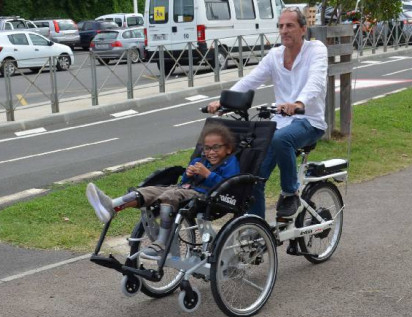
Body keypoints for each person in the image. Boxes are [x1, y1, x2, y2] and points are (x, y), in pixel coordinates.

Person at [206, 7, 328, 220]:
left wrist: (299, 102)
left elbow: (316, 81)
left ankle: (290, 193)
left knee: (282, 140)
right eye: (281, 26)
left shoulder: (316, 50)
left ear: (302, 29)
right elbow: (251, 80)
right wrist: (223, 101)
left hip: (309, 121)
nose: (284, 30)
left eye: (289, 25)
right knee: (252, 178)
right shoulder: (275, 55)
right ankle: (258, 233)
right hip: (279, 121)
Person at [86, 124, 240, 258]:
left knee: (170, 195)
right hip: (183, 190)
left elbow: (228, 184)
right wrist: (187, 175)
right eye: (207, 148)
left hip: (206, 196)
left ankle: (162, 243)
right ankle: (112, 206)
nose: (211, 152)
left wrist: (208, 174)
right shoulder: (199, 160)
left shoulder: (230, 163)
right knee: (148, 191)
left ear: (228, 149)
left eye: (216, 147)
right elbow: (183, 183)